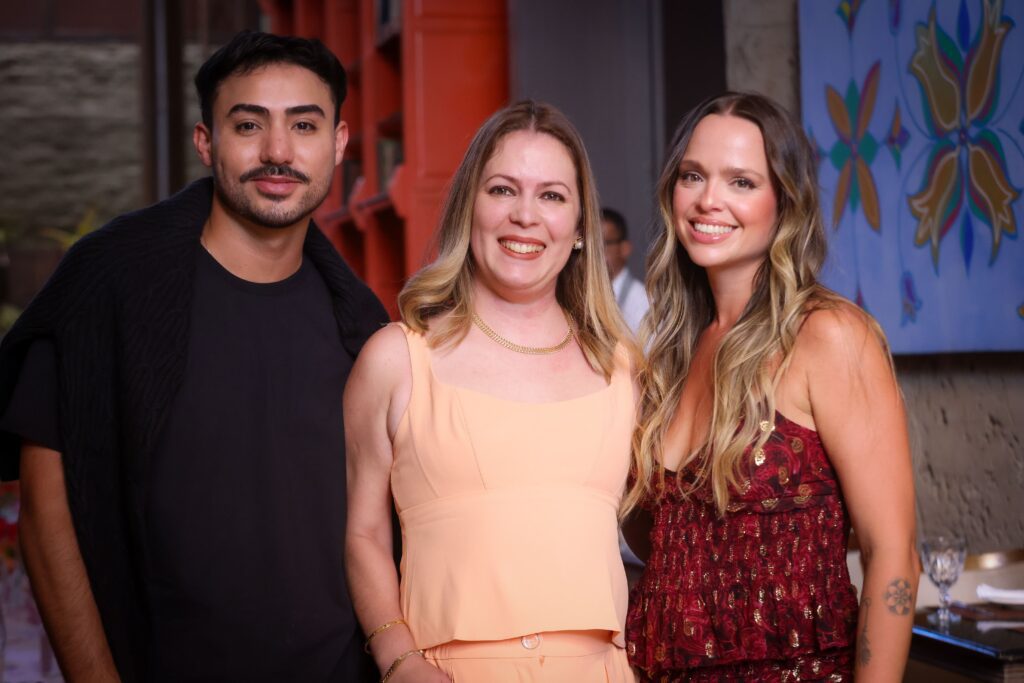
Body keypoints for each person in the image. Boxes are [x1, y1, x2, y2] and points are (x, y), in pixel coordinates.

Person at [0, 31, 387, 682]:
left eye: (304, 125)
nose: (277, 152)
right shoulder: (109, 281)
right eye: (247, 124)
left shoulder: (363, 325)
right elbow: (47, 510)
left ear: (340, 144)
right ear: (205, 141)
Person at [623, 92, 919, 681]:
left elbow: (894, 556)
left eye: (741, 182)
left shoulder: (828, 335)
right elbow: (661, 540)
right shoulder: (668, 356)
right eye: (693, 176)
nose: (709, 200)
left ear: (785, 202)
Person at [345, 100, 638, 682]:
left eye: (552, 196)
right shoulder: (397, 359)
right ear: (468, 209)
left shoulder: (625, 370)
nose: (525, 216)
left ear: (581, 229)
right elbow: (364, 533)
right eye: (503, 189)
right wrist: (399, 661)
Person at [601, 207, 649, 333]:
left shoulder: (643, 303)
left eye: (603, 244)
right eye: (590, 245)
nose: (594, 253)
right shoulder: (578, 295)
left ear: (625, 249)